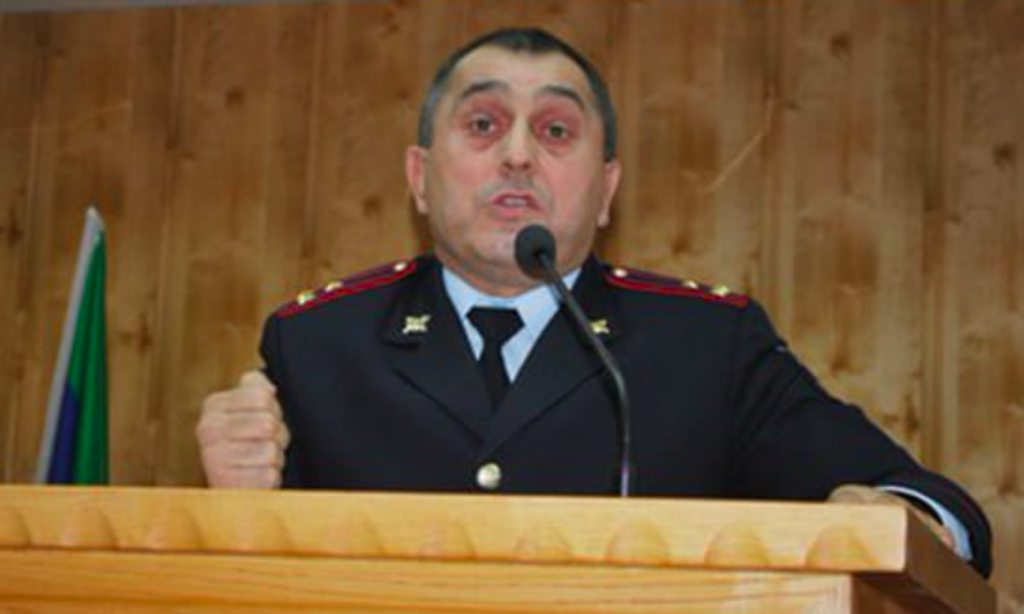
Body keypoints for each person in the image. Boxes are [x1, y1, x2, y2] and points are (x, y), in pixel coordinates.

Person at [196, 28, 992, 577]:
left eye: (554, 131)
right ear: (419, 178)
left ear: (606, 189)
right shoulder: (319, 343)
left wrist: (900, 517)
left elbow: (937, 508)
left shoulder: (706, 346)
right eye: (483, 123)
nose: (517, 155)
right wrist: (238, 505)